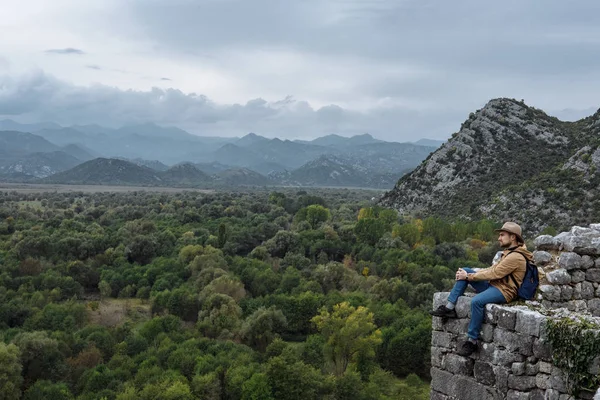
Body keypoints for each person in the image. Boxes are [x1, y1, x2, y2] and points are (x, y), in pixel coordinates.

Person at [429, 222, 533, 356]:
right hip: (494, 285)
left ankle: (472, 341)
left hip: (504, 291)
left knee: (476, 301)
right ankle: (449, 308)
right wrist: (469, 274)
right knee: (465, 270)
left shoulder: (515, 257)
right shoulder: (509, 253)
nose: (499, 238)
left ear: (513, 237)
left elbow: (495, 274)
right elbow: (493, 270)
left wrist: (470, 277)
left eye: (502, 235)